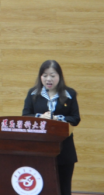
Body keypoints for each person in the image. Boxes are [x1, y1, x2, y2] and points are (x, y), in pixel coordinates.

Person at [22, 60, 80, 195]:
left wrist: (57, 119)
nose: (49, 79)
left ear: (59, 76)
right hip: (40, 149)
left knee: (64, 188)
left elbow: (75, 119)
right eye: (45, 75)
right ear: (40, 76)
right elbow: (25, 116)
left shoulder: (69, 94)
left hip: (64, 149)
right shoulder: (33, 94)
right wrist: (40, 117)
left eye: (53, 75)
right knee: (41, 187)